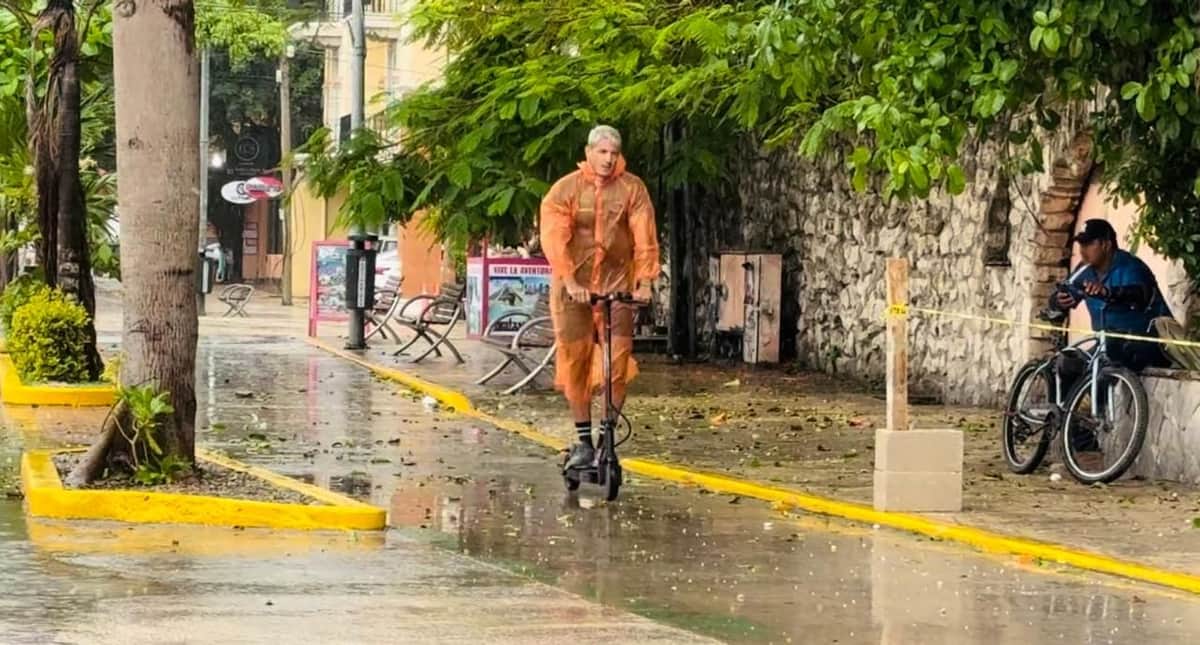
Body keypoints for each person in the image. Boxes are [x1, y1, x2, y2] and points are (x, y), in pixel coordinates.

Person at [539, 125, 660, 469]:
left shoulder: (632, 188)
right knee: (575, 363)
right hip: (573, 291)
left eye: (614, 153)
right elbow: (554, 237)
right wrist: (569, 278)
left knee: (616, 366)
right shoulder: (565, 189)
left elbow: (644, 236)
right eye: (602, 152)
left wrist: (645, 281)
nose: (608, 159)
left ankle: (609, 437)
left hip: (617, 287)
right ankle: (583, 442)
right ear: (589, 152)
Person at [1049, 218, 1174, 372]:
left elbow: (1139, 294)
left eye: (1088, 244)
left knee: (1104, 366)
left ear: (1106, 245)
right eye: (1081, 244)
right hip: (1106, 345)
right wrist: (1058, 301)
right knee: (1065, 366)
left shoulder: (1131, 266)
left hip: (1146, 344)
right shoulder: (1084, 270)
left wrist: (1108, 292)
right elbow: (1062, 294)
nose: (1082, 250)